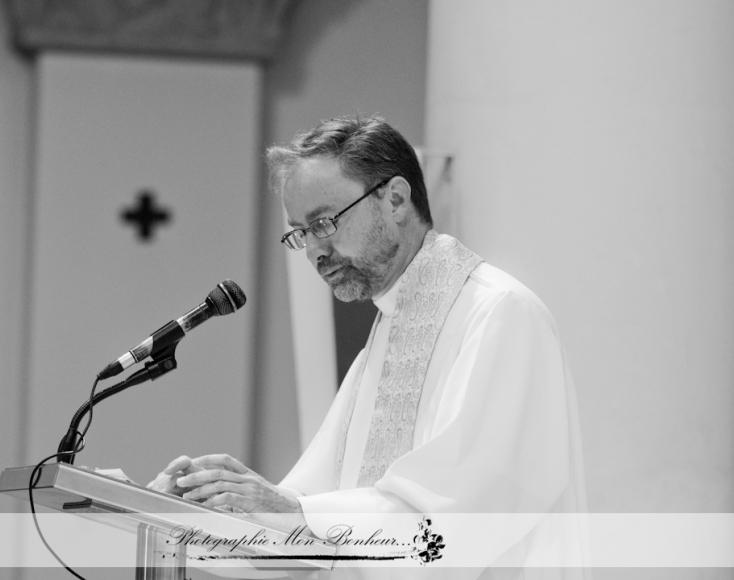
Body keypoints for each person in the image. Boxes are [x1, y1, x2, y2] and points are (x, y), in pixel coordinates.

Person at [148, 115, 588, 578]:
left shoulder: (500, 315)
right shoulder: (385, 337)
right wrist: (199, 510)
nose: (314, 252)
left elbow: (459, 522)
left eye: (324, 223)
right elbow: (303, 518)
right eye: (300, 233)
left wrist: (289, 514)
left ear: (396, 199)